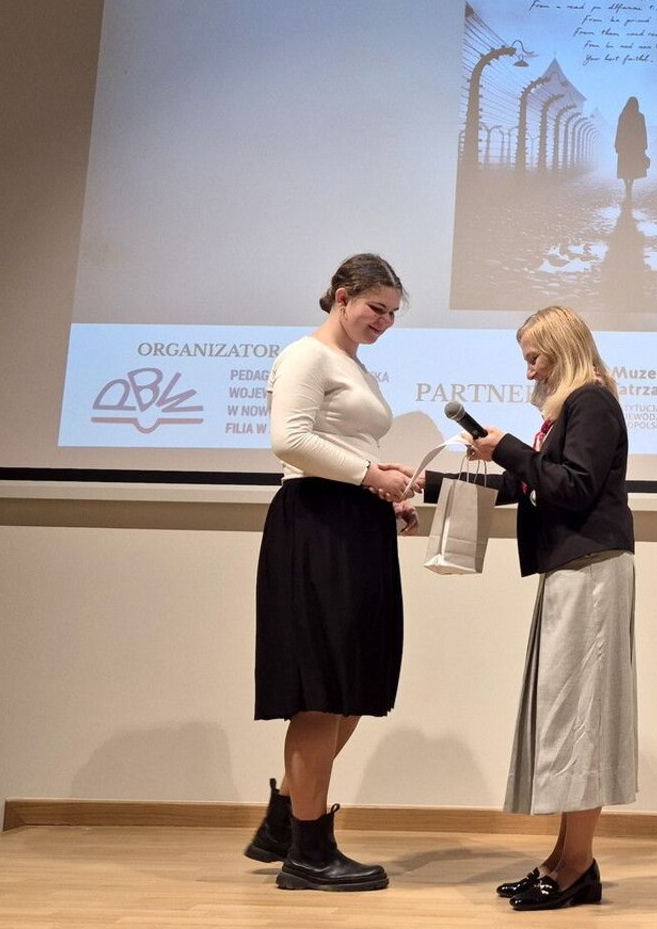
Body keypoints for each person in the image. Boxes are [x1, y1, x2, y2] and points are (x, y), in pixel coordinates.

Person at [431, 305, 636, 912]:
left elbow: (573, 486)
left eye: (535, 358)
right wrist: (427, 484)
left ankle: (575, 867)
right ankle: (565, 860)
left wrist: (509, 449)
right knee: (567, 715)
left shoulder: (591, 402)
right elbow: (529, 485)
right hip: (572, 570)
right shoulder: (570, 409)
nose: (529, 372)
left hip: (591, 572)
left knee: (581, 719)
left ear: (563, 349)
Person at [245, 253, 419, 892]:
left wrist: (383, 488)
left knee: (351, 687)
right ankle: (308, 853)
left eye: (393, 313)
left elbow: (347, 446)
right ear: (342, 297)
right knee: (320, 692)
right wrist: (370, 475)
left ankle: (284, 824)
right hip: (316, 525)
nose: (384, 321)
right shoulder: (306, 356)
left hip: (353, 524)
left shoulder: (354, 366)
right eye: (376, 308)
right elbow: (289, 441)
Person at [614, 96, 648, 203]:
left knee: (624, 166)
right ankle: (630, 185)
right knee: (633, 167)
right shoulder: (640, 116)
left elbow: (619, 131)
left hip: (624, 146)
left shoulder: (623, 115)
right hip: (635, 147)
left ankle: (626, 185)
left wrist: (617, 145)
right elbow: (643, 131)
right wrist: (644, 145)